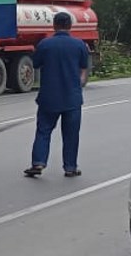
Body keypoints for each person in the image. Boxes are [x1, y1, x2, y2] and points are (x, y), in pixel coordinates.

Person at [25, 11, 91, 178]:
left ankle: (38, 163)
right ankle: (70, 167)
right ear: (70, 26)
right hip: (72, 97)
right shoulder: (79, 45)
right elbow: (84, 68)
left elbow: (36, 64)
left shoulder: (45, 44)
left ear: (54, 25)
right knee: (71, 134)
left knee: (43, 131)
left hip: (49, 97)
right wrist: (80, 83)